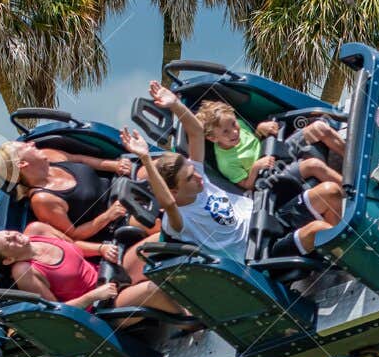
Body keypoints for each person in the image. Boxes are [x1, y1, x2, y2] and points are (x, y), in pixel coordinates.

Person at [133, 92, 343, 263]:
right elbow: (168, 203)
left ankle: (339, 255)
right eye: (189, 177)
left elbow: (195, 132)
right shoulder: (178, 220)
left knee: (331, 192)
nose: (198, 175)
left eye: (193, 170)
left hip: (267, 213)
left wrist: (175, 104)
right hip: (260, 249)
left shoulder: (200, 181)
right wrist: (145, 159)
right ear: (174, 191)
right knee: (319, 229)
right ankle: (345, 257)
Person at [0, 221, 183, 315]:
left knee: (157, 242)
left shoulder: (36, 230)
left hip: (110, 272)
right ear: (8, 259)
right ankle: (192, 319)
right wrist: (94, 296)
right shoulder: (24, 272)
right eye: (8, 242)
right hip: (102, 303)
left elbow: (74, 245)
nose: (13, 236)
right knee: (153, 290)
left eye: (9, 233)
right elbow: (58, 311)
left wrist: (101, 249)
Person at [0, 141, 132, 241]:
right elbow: (73, 235)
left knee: (151, 168)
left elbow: (81, 159)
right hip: (115, 219)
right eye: (26, 146)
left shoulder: (49, 154)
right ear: (22, 164)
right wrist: (109, 215)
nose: (32, 143)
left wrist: (115, 166)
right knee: (150, 221)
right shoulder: (42, 199)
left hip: (119, 185)